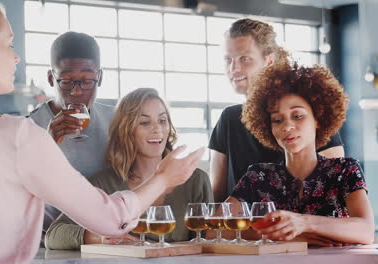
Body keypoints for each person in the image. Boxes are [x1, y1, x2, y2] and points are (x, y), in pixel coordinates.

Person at [0, 1, 204, 263]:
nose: (16, 58)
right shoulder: (17, 134)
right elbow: (109, 219)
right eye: (9, 45)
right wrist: (164, 178)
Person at [45, 88, 214, 249]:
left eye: (162, 121)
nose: (157, 129)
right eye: (145, 122)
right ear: (126, 130)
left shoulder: (196, 180)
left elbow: (211, 243)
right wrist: (101, 238)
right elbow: (53, 235)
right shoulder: (104, 183)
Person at [226, 63, 374, 246]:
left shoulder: (344, 171)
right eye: (277, 120)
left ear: (318, 119)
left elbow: (366, 231)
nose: (287, 127)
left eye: (297, 116)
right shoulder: (257, 176)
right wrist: (287, 236)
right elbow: (213, 232)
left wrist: (303, 223)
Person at [209, 18, 344, 202]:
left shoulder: (309, 114)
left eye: (244, 58)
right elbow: (216, 199)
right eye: (228, 59)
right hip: (240, 229)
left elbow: (334, 197)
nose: (234, 68)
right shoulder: (229, 119)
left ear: (269, 60)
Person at [27, 31, 114, 244]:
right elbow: (16, 194)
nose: (76, 92)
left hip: (104, 239)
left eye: (86, 81)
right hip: (48, 243)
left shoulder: (116, 120)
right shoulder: (28, 127)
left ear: (100, 77)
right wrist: (46, 145)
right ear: (50, 78)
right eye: (66, 81)